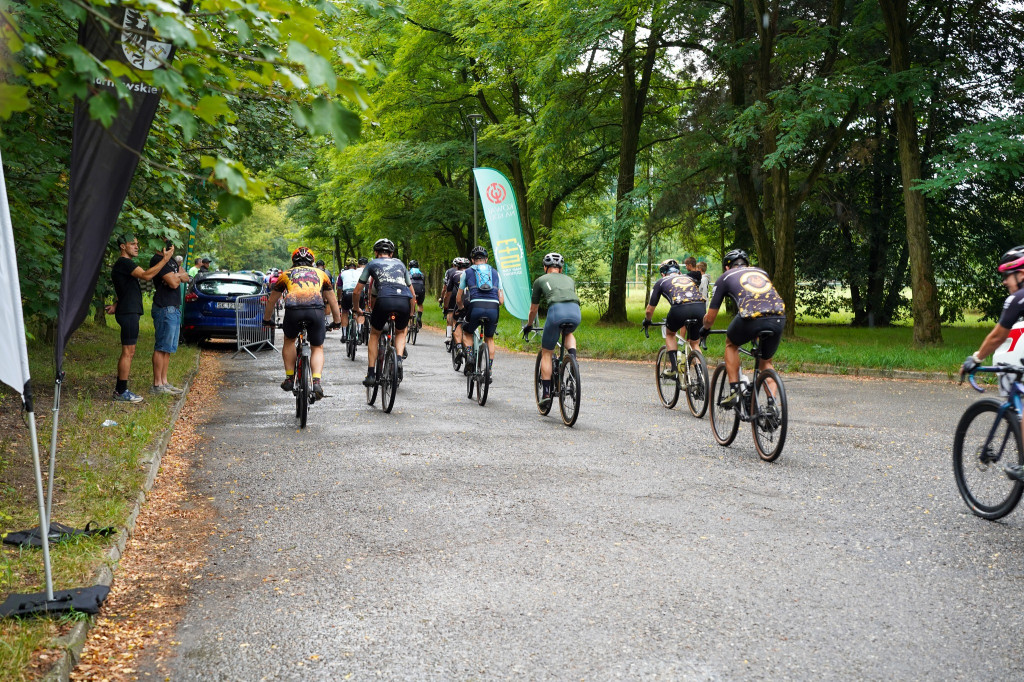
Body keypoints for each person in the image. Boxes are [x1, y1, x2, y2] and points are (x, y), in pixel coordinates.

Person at [961, 246, 1024, 481]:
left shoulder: (1018, 298)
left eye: (1008, 276)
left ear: (1022, 274)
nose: (1005, 282)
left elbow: (998, 336)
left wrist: (975, 359)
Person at [701, 249, 786, 407]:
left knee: (731, 344)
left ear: (727, 267)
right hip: (779, 316)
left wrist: (705, 329)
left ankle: (734, 391)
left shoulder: (725, 277)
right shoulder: (761, 272)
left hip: (751, 316)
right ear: (747, 264)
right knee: (765, 362)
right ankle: (771, 407)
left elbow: (711, 317)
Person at [262, 247, 342, 400]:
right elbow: (332, 299)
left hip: (293, 310)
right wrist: (336, 321)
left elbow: (272, 300)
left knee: (289, 340)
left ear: (293, 261)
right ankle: (317, 382)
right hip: (316, 311)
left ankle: (290, 378)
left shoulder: (286, 274)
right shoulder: (321, 274)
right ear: (312, 261)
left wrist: (266, 319)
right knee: (317, 346)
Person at [105, 234, 174, 403]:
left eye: (137, 244)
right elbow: (146, 275)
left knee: (130, 351)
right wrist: (164, 260)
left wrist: (115, 303)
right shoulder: (125, 262)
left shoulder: (124, 265)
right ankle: (121, 391)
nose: (136, 247)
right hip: (128, 312)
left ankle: (120, 390)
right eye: (132, 244)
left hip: (128, 310)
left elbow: (124, 288)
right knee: (128, 352)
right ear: (123, 247)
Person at [523, 252, 581, 410]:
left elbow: (533, 309)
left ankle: (547, 393)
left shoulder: (540, 280)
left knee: (547, 352)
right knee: (568, 332)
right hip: (575, 313)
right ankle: (573, 360)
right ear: (561, 269)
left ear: (545, 267)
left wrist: (529, 325)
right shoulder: (570, 280)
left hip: (556, 312)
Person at [353, 239, 416, 386]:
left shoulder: (372, 264)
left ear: (376, 253)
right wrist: (411, 313)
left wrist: (357, 308)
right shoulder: (400, 264)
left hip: (384, 299)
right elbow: (412, 293)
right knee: (401, 331)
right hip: (403, 301)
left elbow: (357, 291)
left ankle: (370, 374)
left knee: (375, 333)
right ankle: (399, 360)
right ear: (392, 253)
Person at [642, 259, 706, 379]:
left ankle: (674, 370)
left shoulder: (661, 281)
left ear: (663, 273)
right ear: (679, 271)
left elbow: (649, 310)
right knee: (694, 343)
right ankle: (701, 376)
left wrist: (647, 320)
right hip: (700, 308)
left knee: (670, 334)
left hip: (680, 308)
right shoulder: (689, 278)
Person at [457, 246, 504, 376]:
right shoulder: (495, 273)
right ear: (486, 259)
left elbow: (459, 296)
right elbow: (501, 300)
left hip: (475, 306)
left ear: (472, 260)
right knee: (489, 338)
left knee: (467, 332)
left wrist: (461, 308)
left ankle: (470, 357)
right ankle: (488, 369)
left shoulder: (467, 272)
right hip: (493, 307)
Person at [150, 244, 190, 394]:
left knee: (168, 349)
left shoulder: (171, 261)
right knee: (161, 347)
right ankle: (157, 385)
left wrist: (176, 276)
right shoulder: (157, 260)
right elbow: (173, 284)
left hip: (174, 308)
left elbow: (186, 276)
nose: (171, 245)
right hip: (164, 307)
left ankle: (164, 382)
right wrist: (176, 278)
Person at [444, 257, 471, 359]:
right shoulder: (473, 273)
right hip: (474, 302)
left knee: (456, 321)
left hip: (460, 300)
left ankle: (459, 346)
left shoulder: (453, 274)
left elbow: (447, 293)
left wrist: (446, 307)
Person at [336, 258, 363, 342]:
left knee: (345, 312)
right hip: (359, 294)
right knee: (360, 312)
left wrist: (339, 299)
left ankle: (344, 335)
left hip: (347, 294)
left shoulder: (342, 274)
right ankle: (359, 332)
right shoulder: (360, 273)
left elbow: (339, 289)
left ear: (346, 266)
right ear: (356, 266)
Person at [408, 259, 426, 330]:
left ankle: (411, 321)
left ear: (409, 266)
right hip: (421, 289)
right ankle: (419, 317)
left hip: (412, 288)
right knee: (420, 304)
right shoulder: (421, 274)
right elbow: (423, 283)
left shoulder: (408, 273)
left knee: (411, 303)